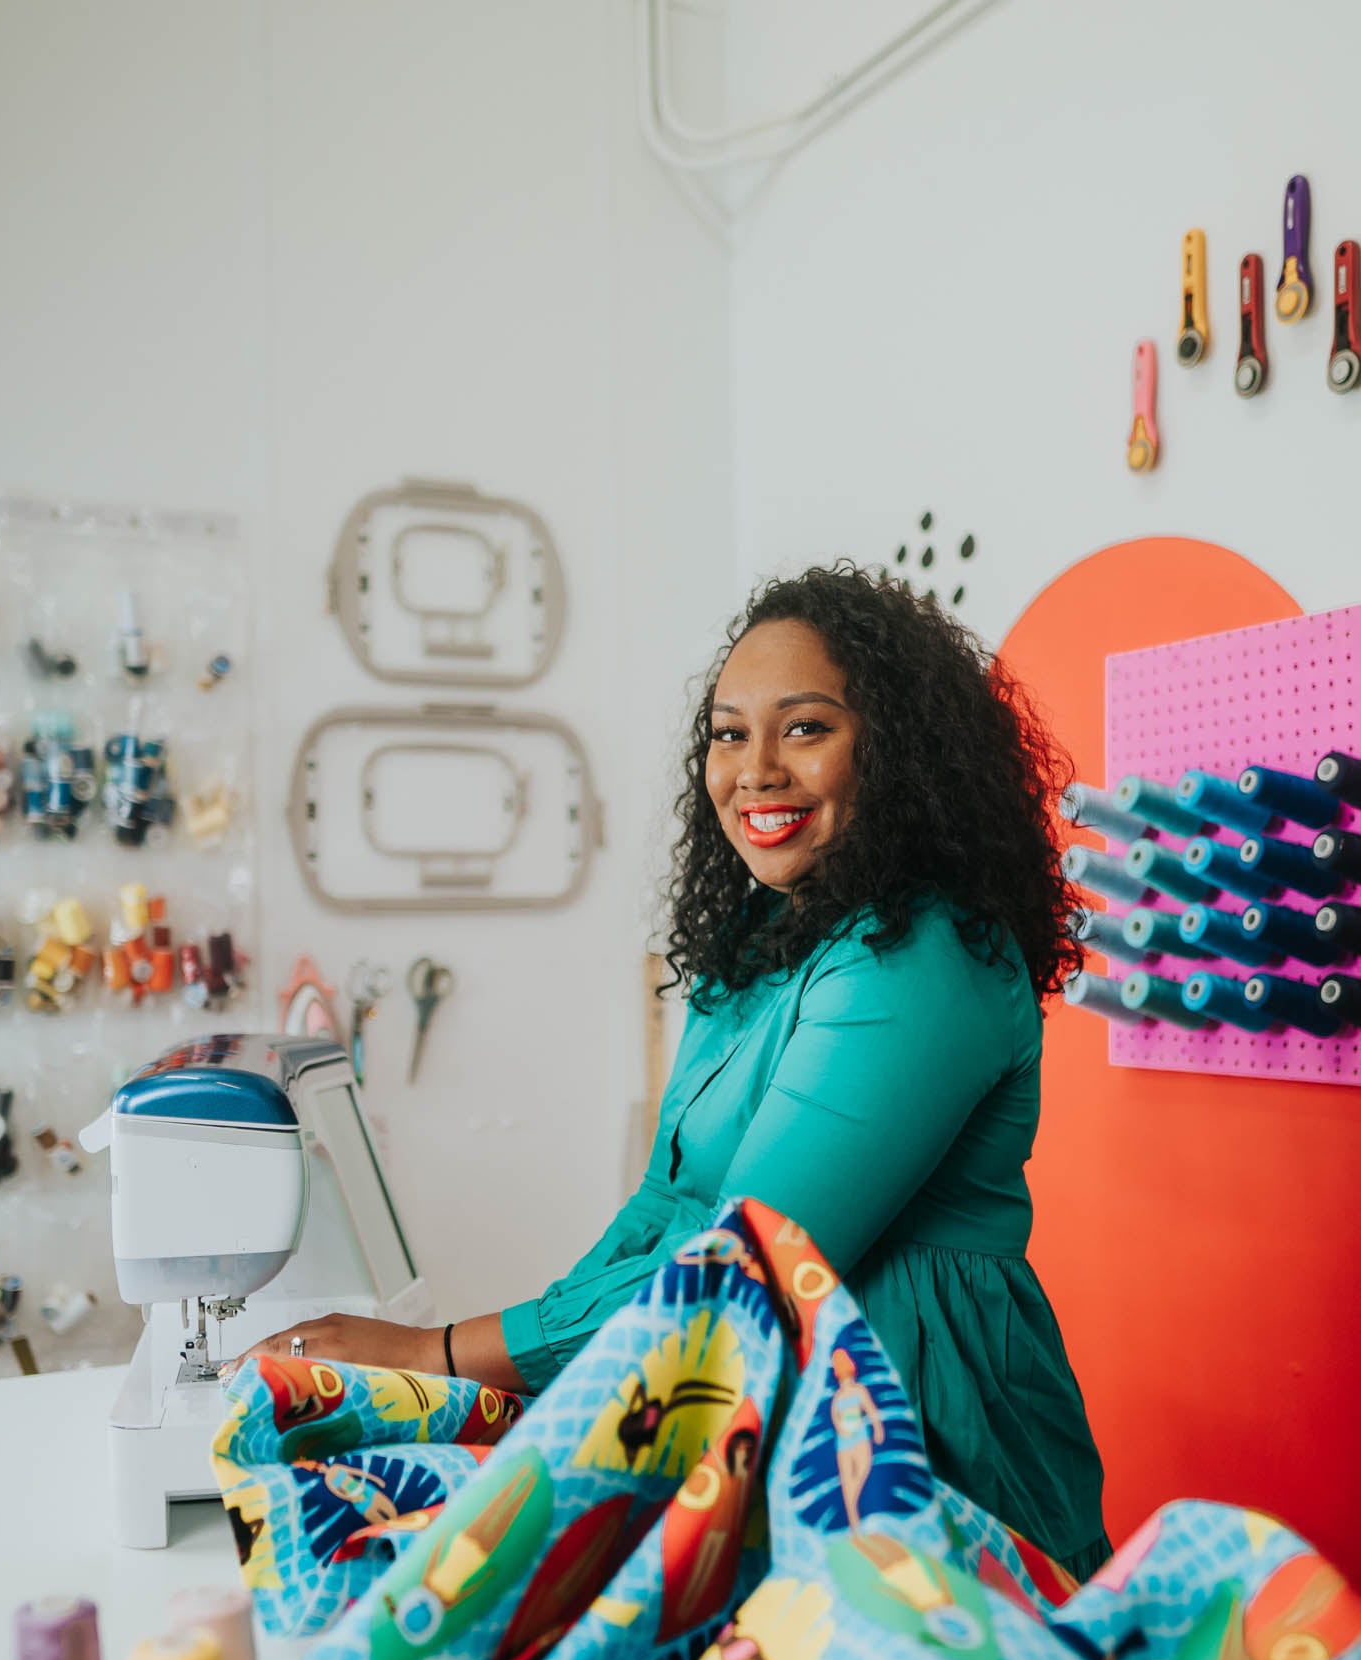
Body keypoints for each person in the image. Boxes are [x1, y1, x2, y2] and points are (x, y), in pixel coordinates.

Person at [246, 563, 1107, 1574]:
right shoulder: (756, 942)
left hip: (922, 1429)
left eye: (803, 727)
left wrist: (439, 1353)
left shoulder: (923, 958)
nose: (754, 770)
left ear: (897, 752)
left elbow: (741, 1258)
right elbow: (665, 1206)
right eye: (728, 732)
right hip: (767, 1393)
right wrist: (533, 1361)